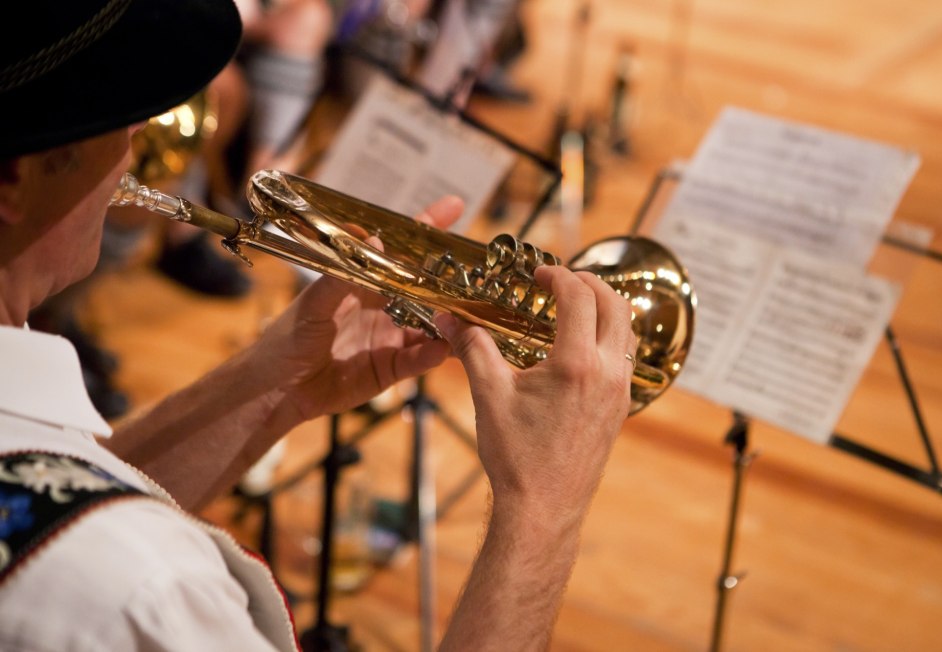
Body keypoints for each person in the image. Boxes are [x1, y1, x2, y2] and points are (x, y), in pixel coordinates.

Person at [0, 1, 636, 650]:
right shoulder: (148, 595)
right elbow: (80, 542)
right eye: (112, 117)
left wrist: (271, 390)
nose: (137, 141)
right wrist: (541, 509)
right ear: (13, 179)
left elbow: (50, 494)